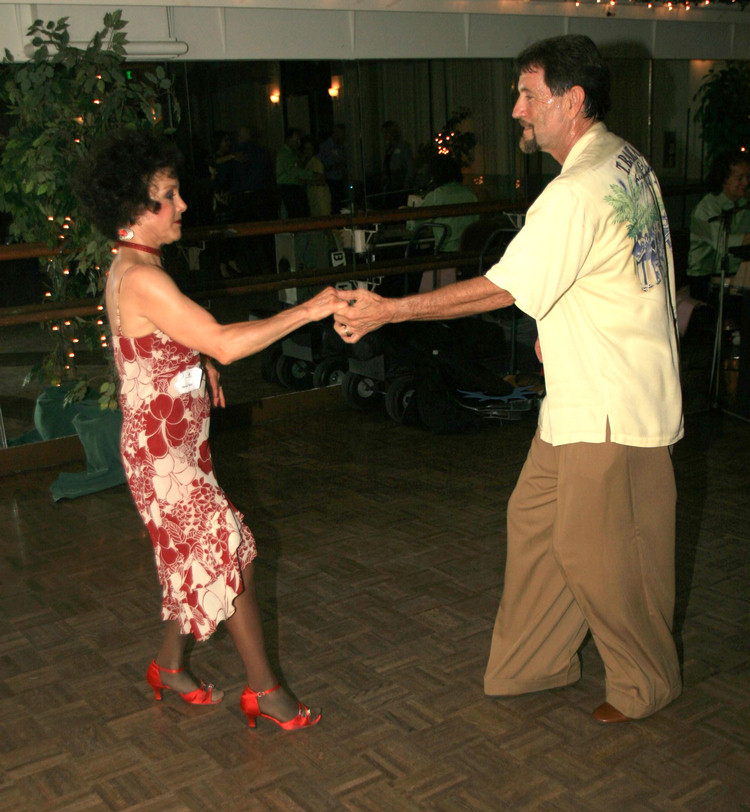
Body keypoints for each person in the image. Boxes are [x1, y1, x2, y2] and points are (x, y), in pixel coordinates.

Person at [333, 35, 684, 724]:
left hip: (608, 403)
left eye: (528, 95)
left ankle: (646, 682)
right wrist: (561, 322)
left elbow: (502, 287)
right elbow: (629, 270)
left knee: (592, 550)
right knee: (533, 521)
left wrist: (389, 310)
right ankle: (536, 661)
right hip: (595, 390)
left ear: (571, 101)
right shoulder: (623, 159)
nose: (516, 109)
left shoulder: (576, 190)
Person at [73, 129, 340, 730]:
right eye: (169, 195)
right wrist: (307, 309)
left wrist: (196, 362)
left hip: (175, 447)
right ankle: (265, 691)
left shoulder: (140, 264)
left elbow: (163, 346)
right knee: (227, 554)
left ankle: (169, 666)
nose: (183, 204)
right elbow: (222, 338)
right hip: (163, 459)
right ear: (136, 206)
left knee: (203, 556)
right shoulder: (142, 277)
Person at [687, 151, 750, 301]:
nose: (746, 183)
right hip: (705, 280)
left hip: (735, 276)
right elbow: (723, 243)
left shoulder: (743, 205)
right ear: (724, 179)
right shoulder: (706, 209)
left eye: (748, 177)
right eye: (740, 178)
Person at [412, 154, 479, 253]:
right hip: (469, 250)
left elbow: (416, 224)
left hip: (445, 251)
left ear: (434, 175)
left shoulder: (435, 196)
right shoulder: (470, 194)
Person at [275, 127, 314, 219]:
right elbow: (294, 171)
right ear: (288, 139)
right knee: (296, 215)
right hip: (290, 189)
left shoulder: (292, 154)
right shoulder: (285, 154)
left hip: (293, 188)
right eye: (296, 140)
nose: (298, 143)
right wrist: (313, 175)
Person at [381, 120, 415, 208]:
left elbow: (410, 165)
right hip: (390, 183)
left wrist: (407, 181)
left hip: (401, 183)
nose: (384, 136)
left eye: (386, 133)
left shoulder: (403, 147)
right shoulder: (388, 148)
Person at [318, 123, 348, 211]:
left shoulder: (340, 147)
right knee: (333, 205)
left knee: (340, 204)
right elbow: (320, 164)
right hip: (330, 180)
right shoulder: (325, 146)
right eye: (342, 133)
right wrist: (332, 167)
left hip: (340, 180)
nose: (343, 136)